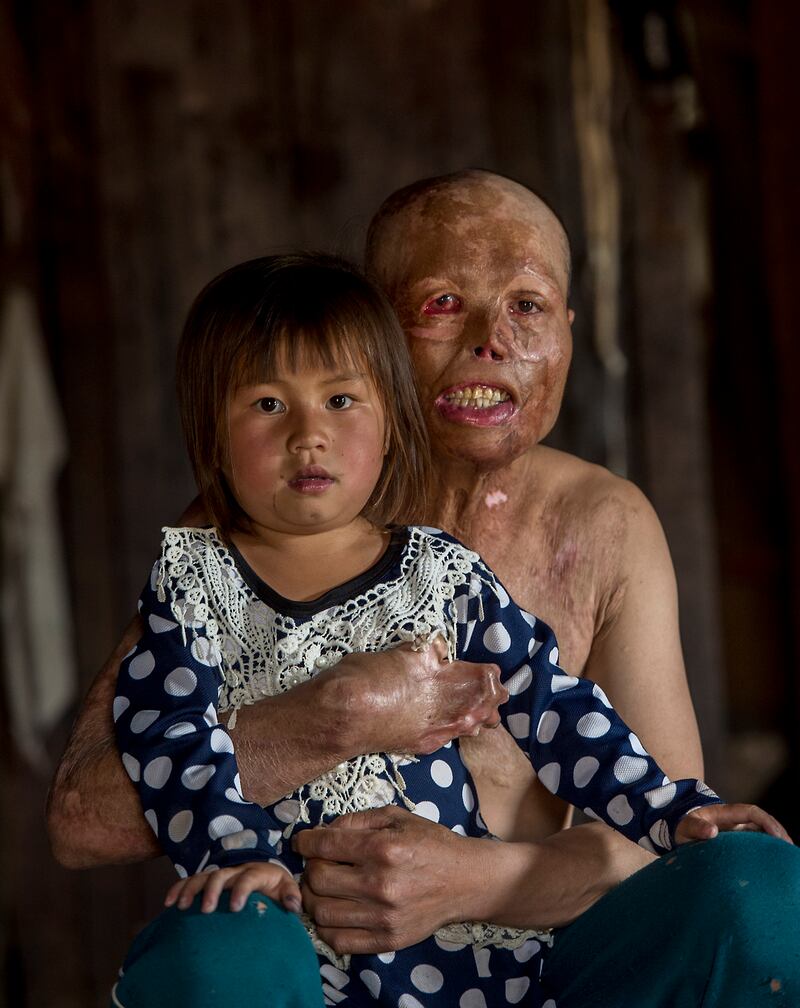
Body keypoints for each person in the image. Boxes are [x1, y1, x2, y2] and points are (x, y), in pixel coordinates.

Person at [49, 171, 800, 1007]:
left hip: (518, 968)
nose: (492, 340)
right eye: (442, 304)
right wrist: (334, 720)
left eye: (528, 305)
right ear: (371, 333)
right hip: (309, 949)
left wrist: (476, 880)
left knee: (758, 890)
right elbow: (88, 812)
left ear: (567, 332)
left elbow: (644, 815)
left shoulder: (586, 531)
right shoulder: (231, 542)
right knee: (215, 959)